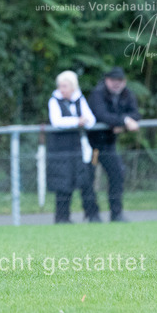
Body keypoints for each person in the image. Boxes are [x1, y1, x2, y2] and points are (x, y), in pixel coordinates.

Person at [87, 66, 141, 222]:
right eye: (113, 80)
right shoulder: (98, 94)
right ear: (106, 80)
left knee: (117, 174)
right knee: (89, 178)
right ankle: (92, 214)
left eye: (120, 80)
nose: (116, 84)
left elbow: (136, 114)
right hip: (94, 146)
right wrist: (123, 121)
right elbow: (101, 115)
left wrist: (123, 122)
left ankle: (116, 213)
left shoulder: (126, 94)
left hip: (109, 144)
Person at [47, 70, 100, 224]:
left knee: (86, 183)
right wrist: (77, 121)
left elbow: (91, 119)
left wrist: (84, 121)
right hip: (61, 150)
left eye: (65, 86)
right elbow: (57, 121)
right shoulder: (54, 101)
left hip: (79, 150)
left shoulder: (79, 99)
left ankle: (92, 215)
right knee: (63, 185)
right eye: (60, 86)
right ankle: (62, 218)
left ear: (73, 87)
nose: (62, 89)